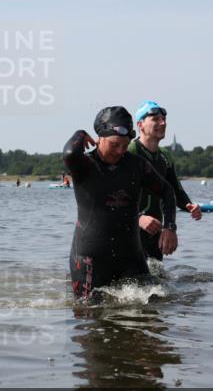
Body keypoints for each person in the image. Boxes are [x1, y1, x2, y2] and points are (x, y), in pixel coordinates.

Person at [64, 106, 178, 301]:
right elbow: (68, 153)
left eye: (125, 146)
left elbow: (168, 192)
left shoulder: (136, 165)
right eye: (114, 144)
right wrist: (80, 134)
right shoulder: (84, 165)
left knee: (154, 308)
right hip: (90, 259)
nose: (119, 151)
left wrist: (170, 227)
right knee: (88, 316)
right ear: (99, 137)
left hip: (131, 257)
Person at [127, 101, 202, 262]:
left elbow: (175, 190)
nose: (163, 122)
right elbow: (115, 195)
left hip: (155, 231)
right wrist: (138, 218)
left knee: (155, 281)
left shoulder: (165, 156)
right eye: (155, 119)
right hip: (129, 229)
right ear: (140, 124)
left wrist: (188, 204)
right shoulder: (131, 152)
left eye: (164, 119)